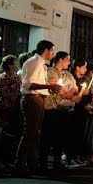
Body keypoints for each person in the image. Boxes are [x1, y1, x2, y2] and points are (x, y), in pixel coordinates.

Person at [15, 40, 62, 176]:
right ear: (46, 50)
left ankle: (31, 165)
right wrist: (49, 86)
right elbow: (28, 85)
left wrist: (48, 84)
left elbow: (37, 82)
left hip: (38, 99)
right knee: (29, 133)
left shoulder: (41, 64)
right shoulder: (34, 62)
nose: (53, 53)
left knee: (35, 134)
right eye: (52, 50)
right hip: (32, 100)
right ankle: (19, 166)